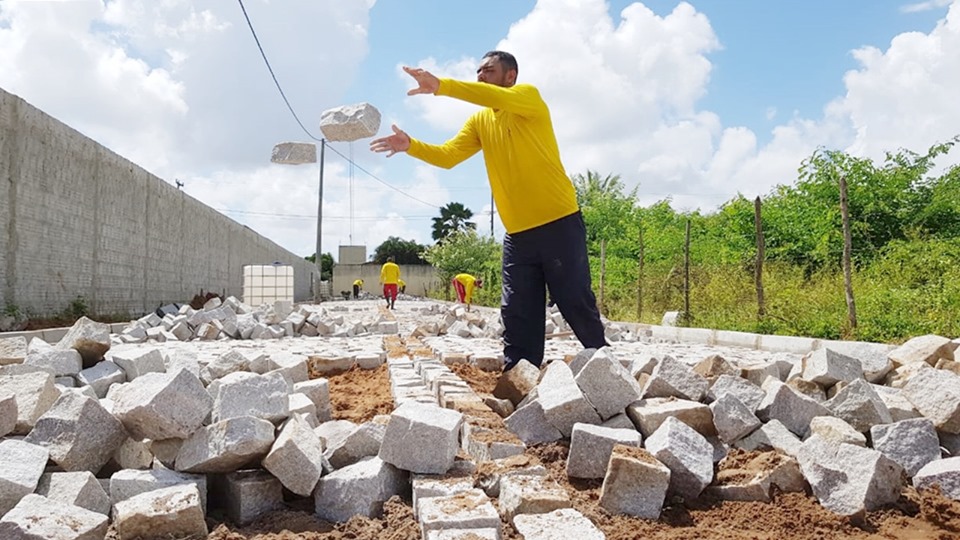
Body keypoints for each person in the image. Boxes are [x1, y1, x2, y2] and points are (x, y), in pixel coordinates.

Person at [371, 50, 608, 371]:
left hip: (558, 222)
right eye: (478, 71)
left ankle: (604, 364)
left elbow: (483, 94)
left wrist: (442, 86)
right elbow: (449, 155)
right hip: (518, 235)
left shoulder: (528, 98)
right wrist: (411, 146)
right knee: (517, 309)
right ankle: (519, 375)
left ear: (510, 77)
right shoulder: (480, 121)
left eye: (489, 71)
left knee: (574, 301)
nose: (480, 76)